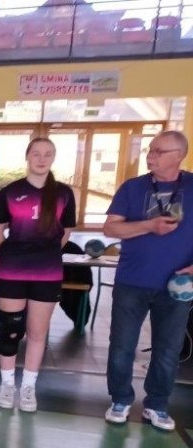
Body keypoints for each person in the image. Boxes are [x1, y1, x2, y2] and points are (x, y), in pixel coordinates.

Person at [103, 130, 193, 432]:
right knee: (121, 346)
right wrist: (149, 226)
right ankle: (120, 399)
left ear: (178, 156)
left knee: (168, 349)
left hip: (177, 285)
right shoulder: (133, 187)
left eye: (159, 151)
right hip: (132, 281)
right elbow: (111, 229)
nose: (150, 156)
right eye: (150, 150)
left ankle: (157, 404)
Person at [0, 137, 76, 412]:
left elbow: (65, 233)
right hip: (12, 271)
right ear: (27, 156)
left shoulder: (64, 193)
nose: (41, 159)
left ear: (53, 158)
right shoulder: (9, 192)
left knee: (37, 333)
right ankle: (7, 385)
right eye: (36, 154)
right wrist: (11, 253)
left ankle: (28, 387)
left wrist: (44, 254)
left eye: (47, 154)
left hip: (47, 272)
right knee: (10, 330)